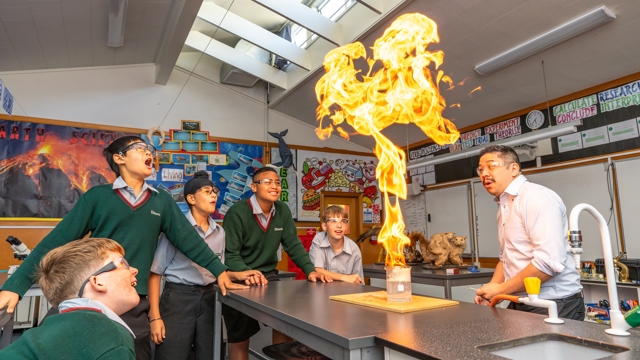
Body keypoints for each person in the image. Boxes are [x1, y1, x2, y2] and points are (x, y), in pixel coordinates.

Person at [0, 136, 248, 359]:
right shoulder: (97, 197)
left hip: (133, 302)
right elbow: (55, 243)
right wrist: (15, 286)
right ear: (119, 158)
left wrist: (220, 271)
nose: (148, 152)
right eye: (140, 148)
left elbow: (189, 240)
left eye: (150, 148)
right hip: (89, 295)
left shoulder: (162, 201)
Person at [148, 171, 266, 360]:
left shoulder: (219, 232)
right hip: (178, 299)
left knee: (210, 353)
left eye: (214, 191)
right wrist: (155, 317)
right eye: (206, 191)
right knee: (172, 353)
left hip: (210, 297)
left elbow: (217, 270)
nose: (214, 195)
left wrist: (240, 274)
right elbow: (155, 273)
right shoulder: (176, 229)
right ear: (191, 198)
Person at [222, 166, 330, 360]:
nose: (275, 186)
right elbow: (230, 255)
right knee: (240, 339)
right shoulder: (236, 213)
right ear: (254, 187)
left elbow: (294, 245)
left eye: (278, 183)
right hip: (239, 278)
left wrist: (310, 270)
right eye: (268, 182)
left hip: (268, 277)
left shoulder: (282, 210)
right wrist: (247, 273)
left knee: (283, 326)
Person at [474, 145, 584, 320]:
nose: (484, 174)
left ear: (514, 168)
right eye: (480, 169)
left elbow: (548, 262)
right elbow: (507, 257)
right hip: (520, 299)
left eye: (491, 166)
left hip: (554, 303)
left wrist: (501, 289)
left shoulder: (536, 197)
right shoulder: (504, 206)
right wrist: (492, 288)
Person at [0, 238, 140, 359]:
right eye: (122, 264)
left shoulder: (51, 329)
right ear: (97, 282)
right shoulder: (111, 337)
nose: (134, 270)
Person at [309, 205, 364, 284]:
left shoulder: (354, 248)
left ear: (347, 226)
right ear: (324, 226)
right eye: (333, 221)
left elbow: (357, 280)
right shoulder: (319, 240)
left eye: (343, 221)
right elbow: (317, 270)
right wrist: (344, 277)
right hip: (321, 291)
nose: (339, 225)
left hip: (346, 293)